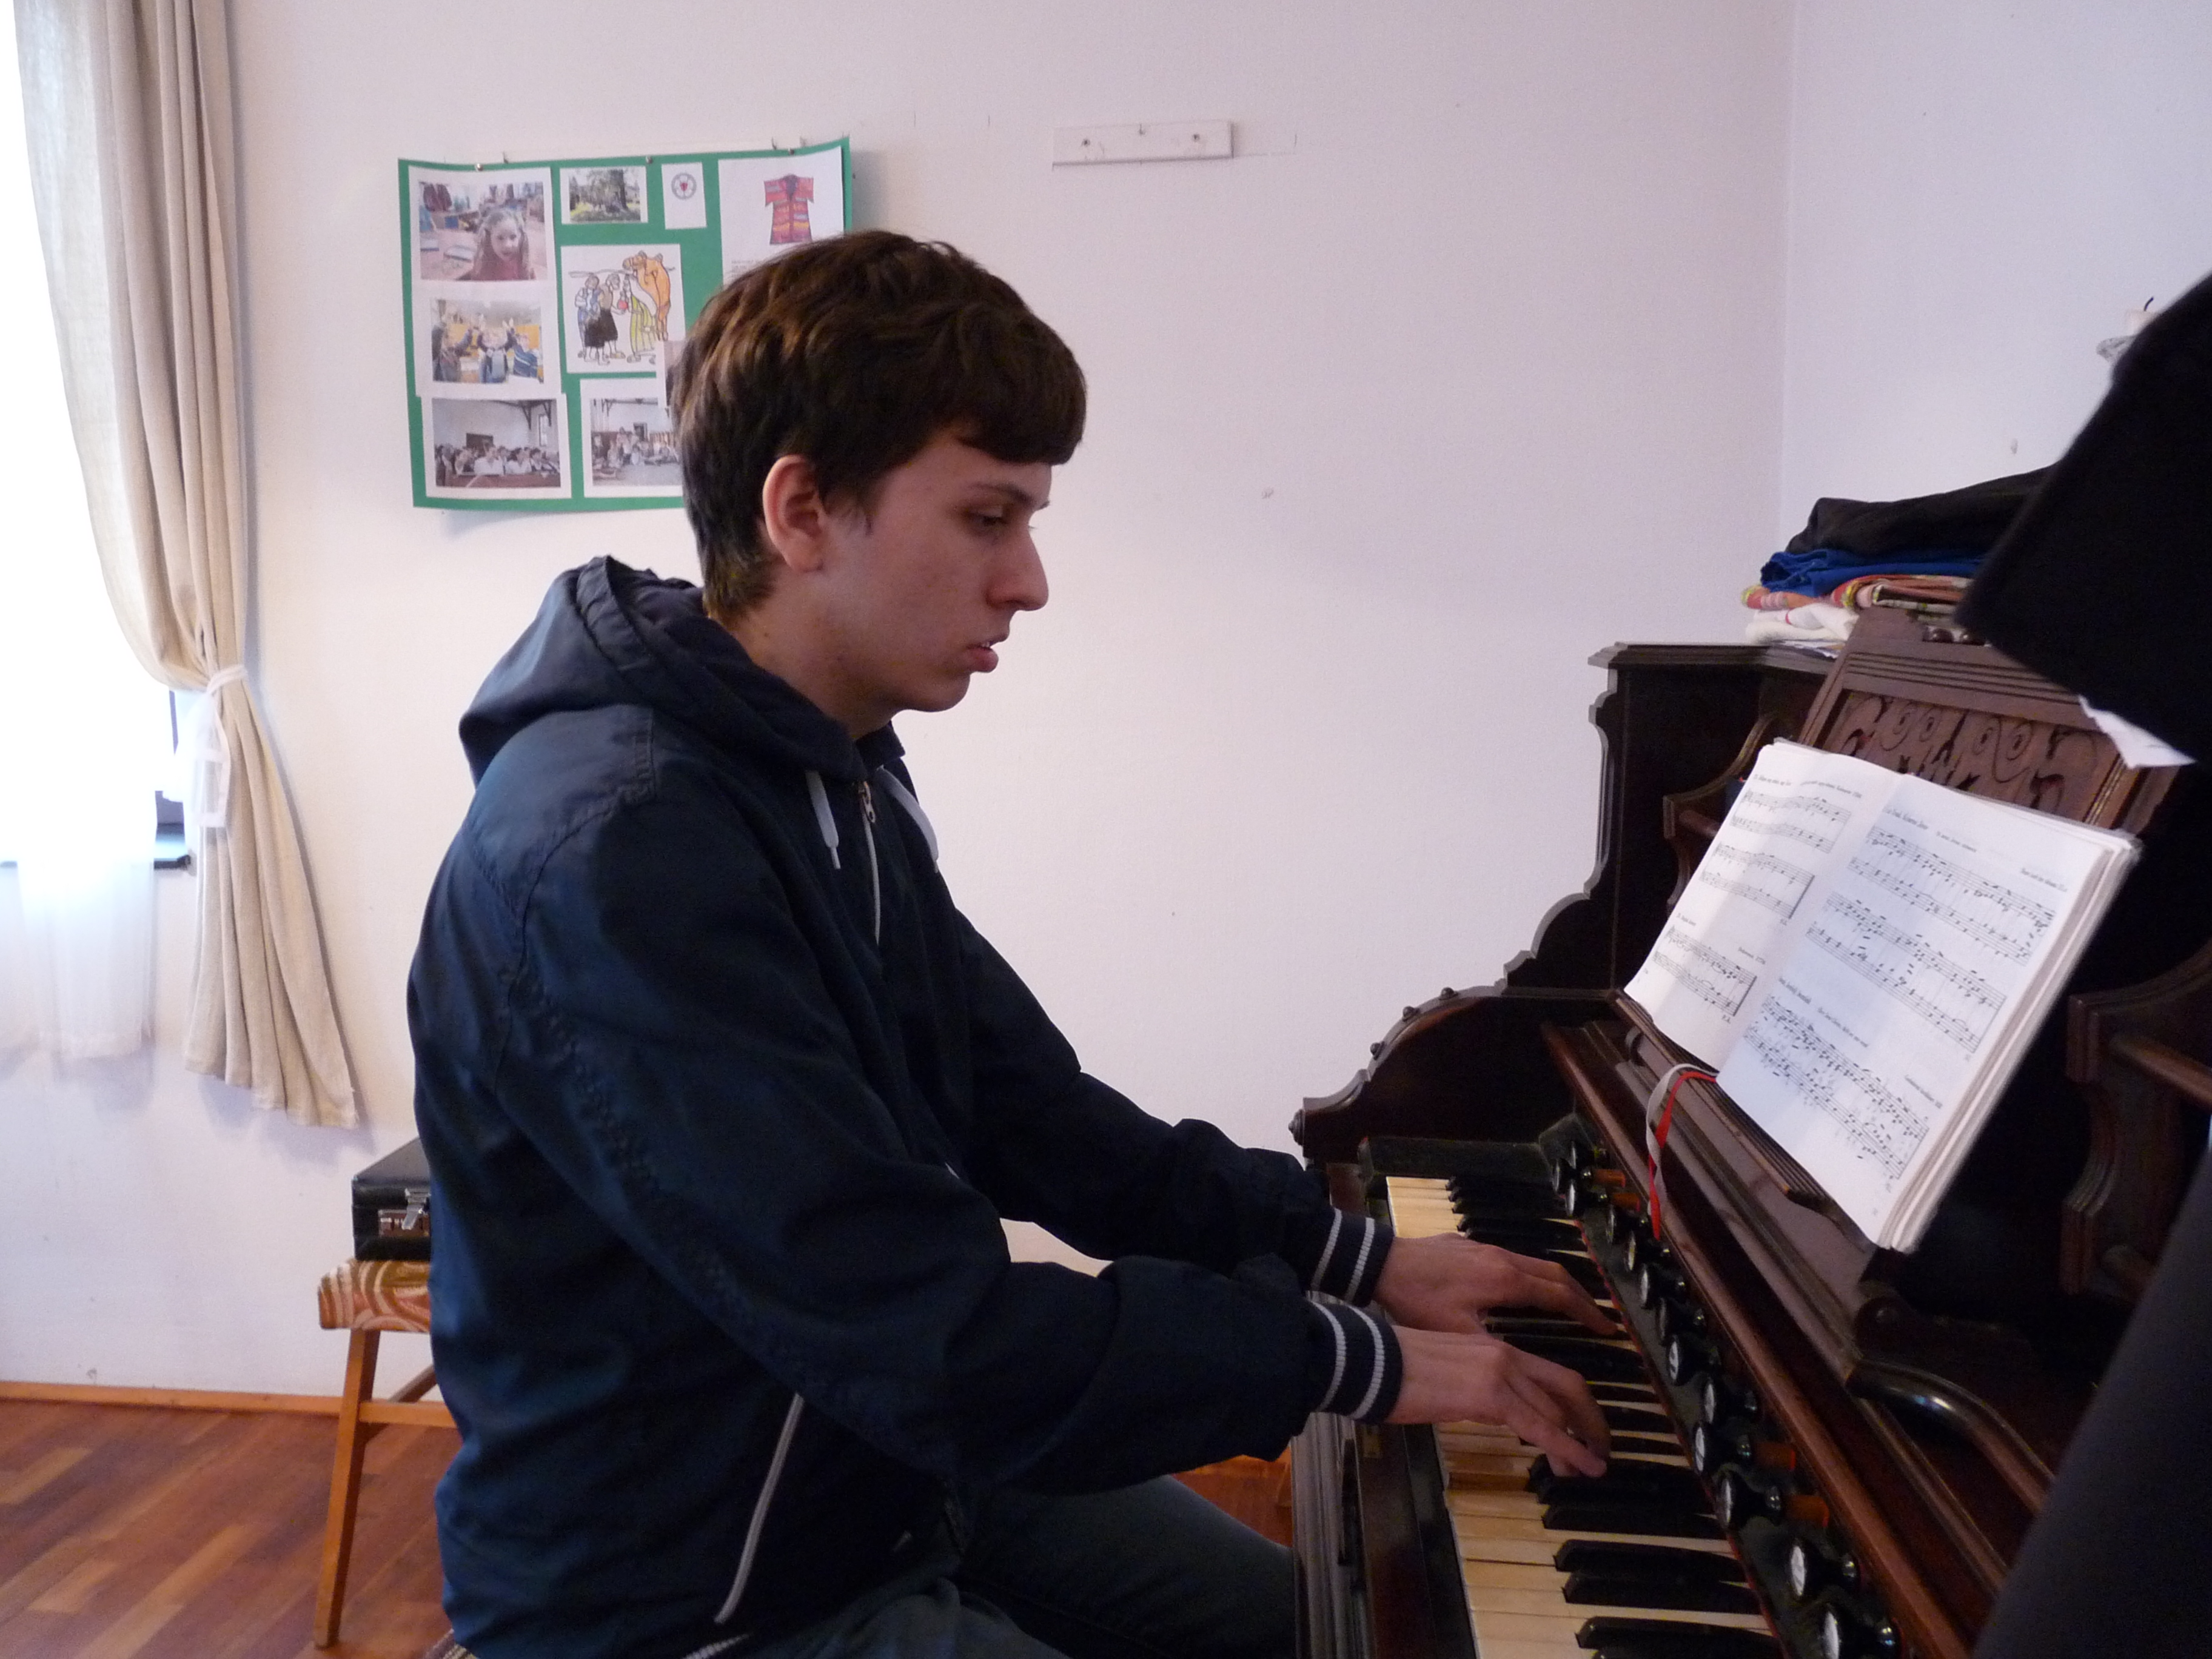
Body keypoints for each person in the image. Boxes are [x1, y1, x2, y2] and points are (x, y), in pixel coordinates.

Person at [408, 229, 1612, 1659]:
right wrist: (1350, 1359)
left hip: (890, 1472)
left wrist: (1348, 1255)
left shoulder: (829, 763)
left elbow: (1026, 1109)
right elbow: (928, 1332)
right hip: (693, 1597)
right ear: (803, 509)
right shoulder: (617, 850)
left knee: (1325, 1635)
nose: (1028, 581)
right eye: (988, 518)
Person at [466, 205, 533, 281]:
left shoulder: (523, 260)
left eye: (513, 237)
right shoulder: (483, 263)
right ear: (489, 238)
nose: (508, 245)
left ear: (520, 236)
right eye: (500, 238)